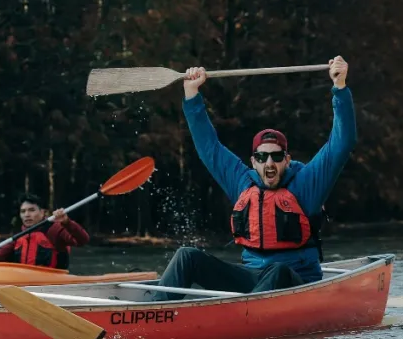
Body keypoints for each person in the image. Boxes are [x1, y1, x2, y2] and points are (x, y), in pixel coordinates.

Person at [151, 56, 356, 300]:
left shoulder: (306, 185)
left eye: (277, 157)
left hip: (294, 282)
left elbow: (342, 143)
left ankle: (238, 318)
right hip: (251, 279)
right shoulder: (242, 181)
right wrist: (192, 94)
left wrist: (339, 87)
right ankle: (153, 316)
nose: (269, 163)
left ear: (287, 160)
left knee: (278, 270)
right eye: (262, 157)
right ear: (253, 161)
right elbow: (209, 148)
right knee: (187, 256)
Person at [0, 194, 90, 269]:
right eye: (23, 211)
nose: (27, 215)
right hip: (25, 282)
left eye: (31, 210)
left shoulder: (55, 230)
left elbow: (82, 240)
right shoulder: (19, 236)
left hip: (53, 281)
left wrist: (67, 222)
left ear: (43, 212)